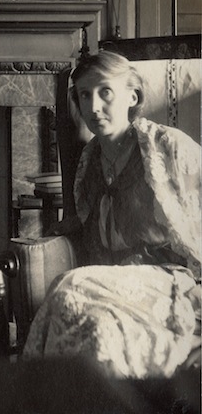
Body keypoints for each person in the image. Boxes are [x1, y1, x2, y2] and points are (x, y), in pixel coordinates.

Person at [23, 51, 201, 379]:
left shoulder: (168, 147)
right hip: (110, 284)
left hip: (169, 283)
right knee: (94, 324)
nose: (92, 107)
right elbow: (86, 221)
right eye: (84, 95)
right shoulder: (89, 163)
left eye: (105, 92)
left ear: (132, 96)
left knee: (70, 284)